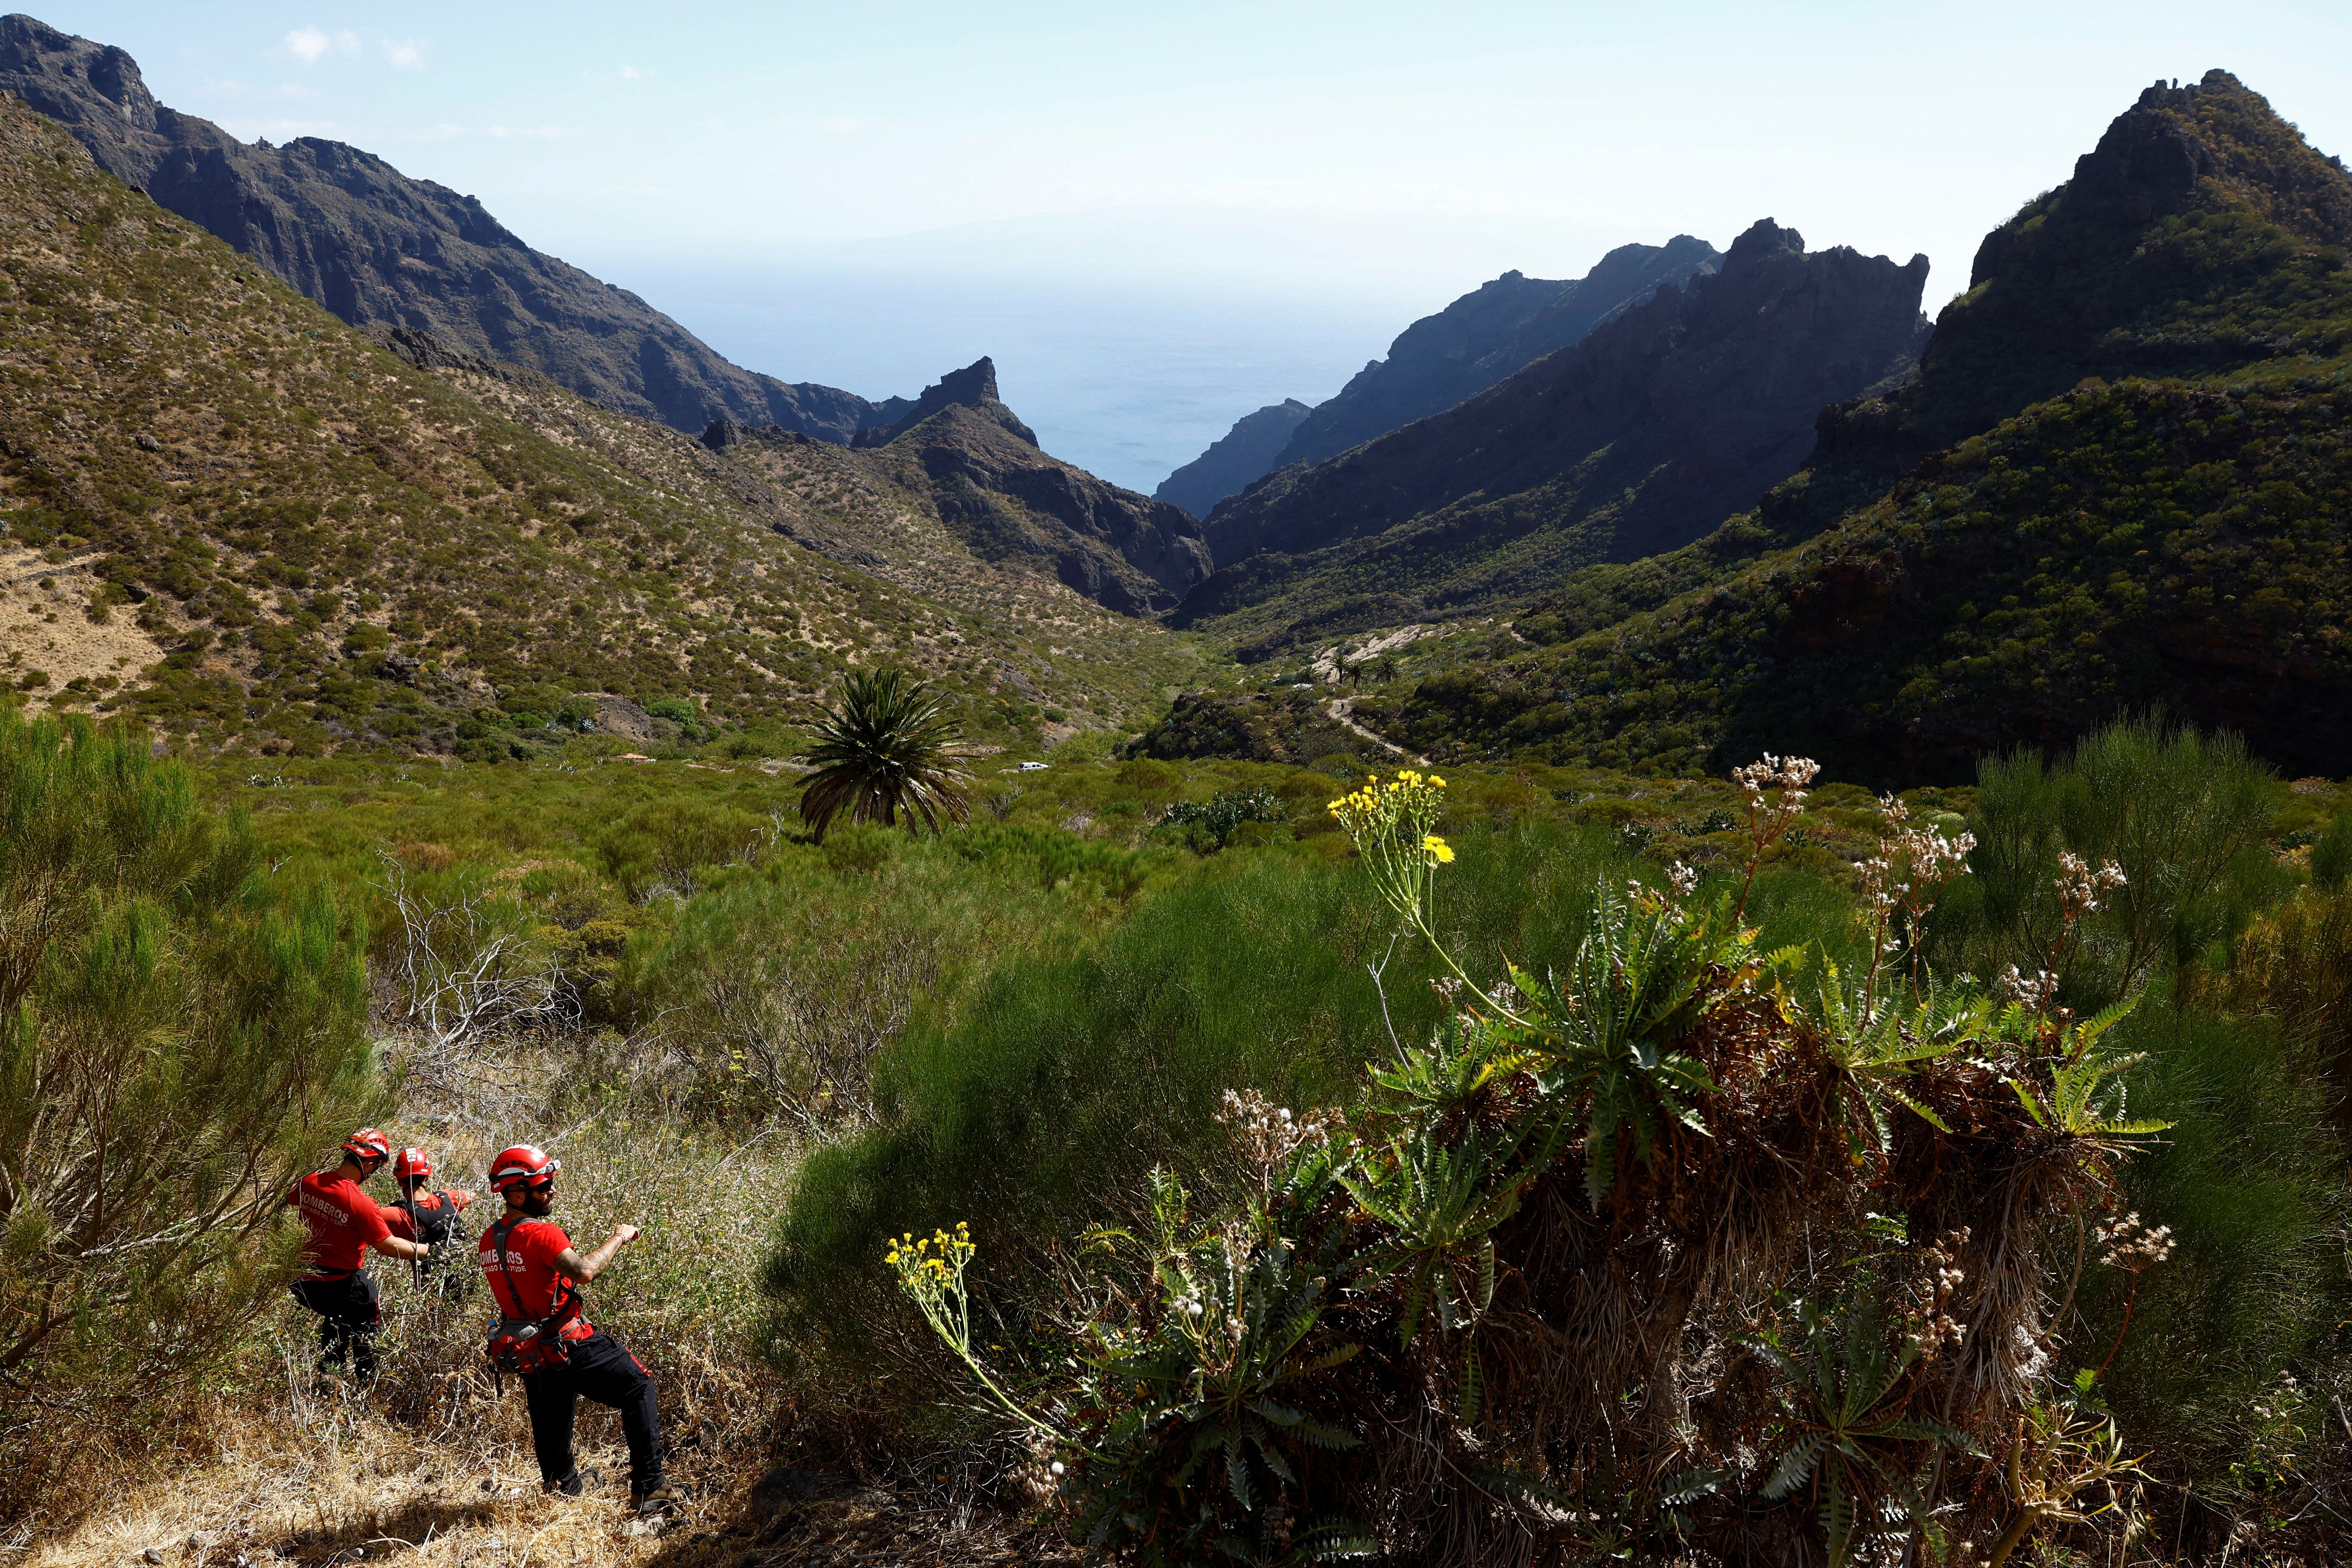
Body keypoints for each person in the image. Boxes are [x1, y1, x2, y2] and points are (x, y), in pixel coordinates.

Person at [479, 1143, 677, 1515]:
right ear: (518, 1193)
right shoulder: (543, 1233)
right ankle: (650, 1488)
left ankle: (563, 1488)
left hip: (530, 1347)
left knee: (550, 1413)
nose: (552, 1191)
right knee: (639, 1385)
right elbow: (585, 1271)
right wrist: (620, 1236)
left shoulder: (489, 1240)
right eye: (544, 1187)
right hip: (571, 1341)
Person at [285, 1128, 436, 1384]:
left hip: (302, 1281)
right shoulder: (360, 1202)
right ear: (369, 1163)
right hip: (339, 1283)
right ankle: (367, 1384)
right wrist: (428, 1251)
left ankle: (328, 1379)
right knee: (366, 1313)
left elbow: (291, 1200)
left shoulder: (309, 1181)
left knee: (339, 1317)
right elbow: (388, 1246)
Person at [384, 1146, 475, 1296]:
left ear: (399, 1180)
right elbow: (472, 1195)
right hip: (467, 1282)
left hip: (430, 1293)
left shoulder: (397, 1214)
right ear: (427, 1177)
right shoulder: (449, 1198)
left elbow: (366, 1215)